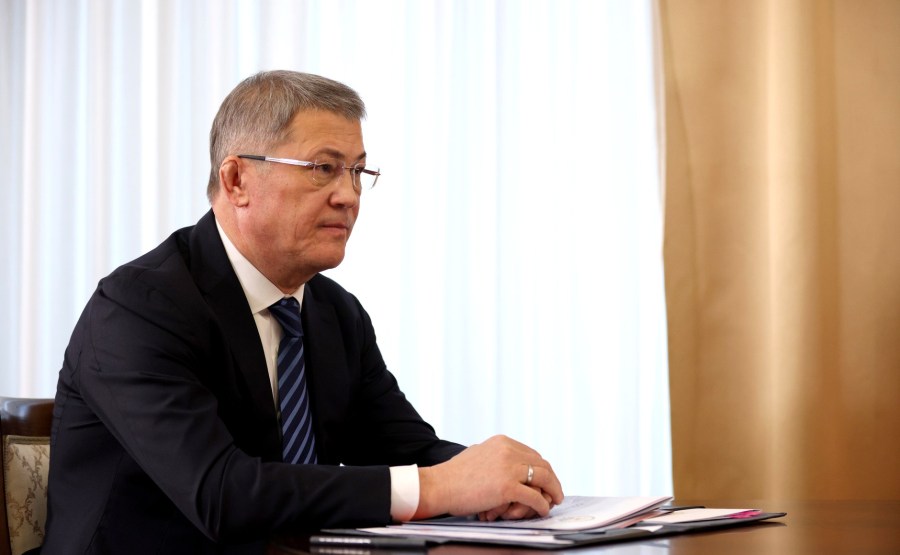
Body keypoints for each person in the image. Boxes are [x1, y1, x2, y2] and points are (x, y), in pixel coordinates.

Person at [43, 70, 563, 554]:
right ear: (237, 180)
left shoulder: (335, 314)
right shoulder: (140, 307)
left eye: (357, 172)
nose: (349, 196)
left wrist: (499, 481)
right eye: (324, 168)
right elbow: (221, 493)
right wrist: (440, 486)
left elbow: (407, 452)